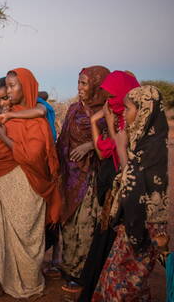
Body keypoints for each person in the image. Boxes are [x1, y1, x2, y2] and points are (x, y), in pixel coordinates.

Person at [0, 68, 62, 299]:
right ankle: (7, 282)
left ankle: (31, 285)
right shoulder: (7, 114)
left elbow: (32, 156)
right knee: (4, 235)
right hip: (4, 183)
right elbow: (1, 153)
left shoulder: (38, 121)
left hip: (28, 185)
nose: (10, 90)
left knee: (26, 234)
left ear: (26, 87)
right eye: (9, 85)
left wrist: (3, 136)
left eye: (14, 85)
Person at [92, 85, 168, 301]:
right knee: (120, 279)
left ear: (144, 111)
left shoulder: (153, 147)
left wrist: (120, 147)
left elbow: (133, 185)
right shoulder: (143, 139)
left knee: (124, 285)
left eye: (128, 108)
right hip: (132, 222)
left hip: (142, 226)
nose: (124, 113)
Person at [78, 70, 141, 301]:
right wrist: (100, 120)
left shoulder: (132, 121)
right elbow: (104, 149)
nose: (110, 100)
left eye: (113, 95)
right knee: (105, 232)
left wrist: (105, 123)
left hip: (123, 186)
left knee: (113, 235)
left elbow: (107, 149)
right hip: (110, 182)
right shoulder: (117, 115)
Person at [55, 66, 110, 293]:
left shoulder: (107, 111)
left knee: (85, 223)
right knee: (67, 221)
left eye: (85, 83)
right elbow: (64, 138)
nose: (80, 88)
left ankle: (81, 273)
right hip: (70, 174)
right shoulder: (73, 110)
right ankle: (67, 267)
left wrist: (91, 145)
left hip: (92, 176)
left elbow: (112, 143)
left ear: (97, 85)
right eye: (79, 82)